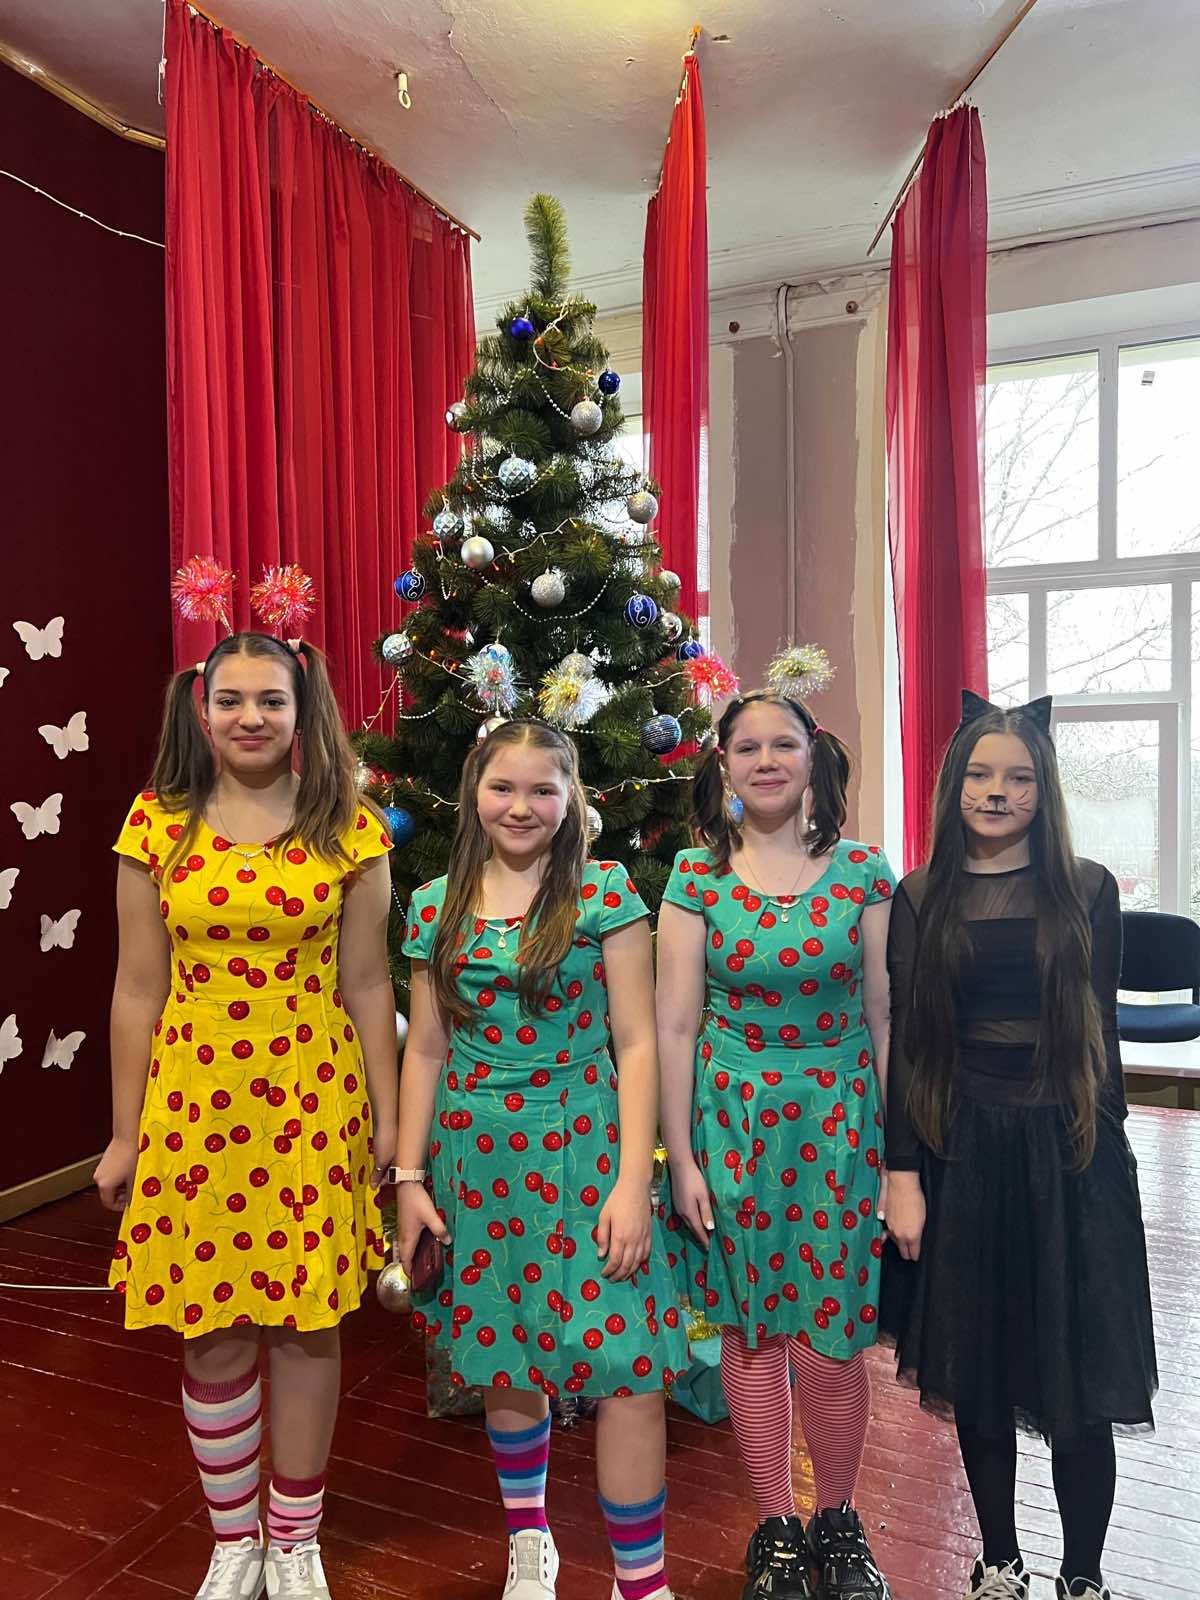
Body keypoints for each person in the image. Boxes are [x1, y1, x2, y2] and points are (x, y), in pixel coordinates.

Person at [94, 632, 396, 1600]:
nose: (251, 717)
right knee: (213, 1325)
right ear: (201, 707)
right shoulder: (156, 824)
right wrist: (124, 1134)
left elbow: (368, 983)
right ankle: (234, 1540)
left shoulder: (350, 827)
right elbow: (137, 988)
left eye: (271, 700)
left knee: (306, 1328)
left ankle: (295, 1538)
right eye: (231, 700)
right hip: (193, 1104)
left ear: (302, 713)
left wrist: (391, 1123)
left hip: (312, 1100)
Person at [394, 718, 688, 1600]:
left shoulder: (605, 895)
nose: (520, 807)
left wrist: (634, 1180)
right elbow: (426, 1051)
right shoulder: (435, 904)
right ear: (474, 794)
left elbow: (637, 1042)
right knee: (504, 1352)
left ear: (571, 801)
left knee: (629, 1368)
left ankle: (641, 1582)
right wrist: (408, 1179)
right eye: (502, 787)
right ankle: (530, 1541)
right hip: (478, 1158)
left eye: (542, 790)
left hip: (590, 1148)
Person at [881, 691, 1157, 1600]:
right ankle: (998, 1558)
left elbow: (1101, 1034)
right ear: (953, 786)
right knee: (981, 1368)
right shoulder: (920, 896)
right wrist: (903, 1172)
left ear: (1045, 791)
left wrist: (1111, 1159)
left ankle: (1084, 1574)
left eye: (1019, 778)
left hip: (1069, 1152)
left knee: (1077, 1375)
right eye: (979, 775)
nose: (996, 792)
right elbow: (911, 1045)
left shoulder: (1088, 889)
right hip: (963, 1153)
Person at [656, 690, 895, 1600]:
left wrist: (899, 1157)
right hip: (731, 1130)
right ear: (723, 763)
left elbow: (884, 1016)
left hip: (841, 1130)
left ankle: (837, 1519)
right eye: (747, 747)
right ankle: (777, 1528)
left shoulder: (863, 871)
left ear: (811, 755)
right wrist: (682, 1158)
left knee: (832, 1344)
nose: (765, 760)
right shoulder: (695, 877)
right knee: (752, 1338)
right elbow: (675, 1026)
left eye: (782, 744)